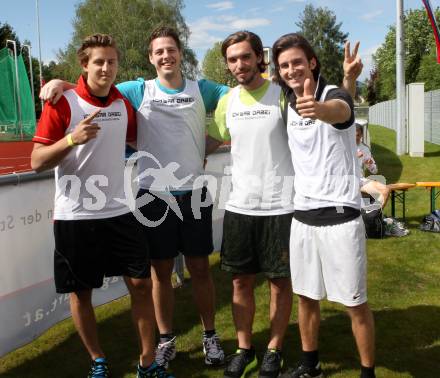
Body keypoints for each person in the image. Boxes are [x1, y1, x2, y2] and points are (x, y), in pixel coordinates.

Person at [40, 26, 228, 369]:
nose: (166, 56)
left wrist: (212, 141)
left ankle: (210, 336)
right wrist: (62, 84)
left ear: (180, 53)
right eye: (159, 52)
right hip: (152, 196)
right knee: (159, 273)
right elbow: (96, 87)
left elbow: (240, 99)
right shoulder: (138, 90)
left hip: (195, 194)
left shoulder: (202, 88)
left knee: (201, 268)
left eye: (171, 50)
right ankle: (166, 339)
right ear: (151, 58)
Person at [31, 34, 172, 378]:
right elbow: (36, 160)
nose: (106, 68)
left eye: (111, 61)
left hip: (120, 212)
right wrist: (71, 139)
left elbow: (141, 131)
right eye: (98, 62)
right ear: (84, 65)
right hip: (75, 217)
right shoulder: (61, 102)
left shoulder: (122, 103)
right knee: (81, 294)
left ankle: (147, 362)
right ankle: (97, 359)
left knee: (140, 285)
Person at [272, 33, 376, 378]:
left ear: (312, 62)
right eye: (284, 65)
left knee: (354, 303)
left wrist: (320, 109)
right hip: (302, 218)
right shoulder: (287, 100)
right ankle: (310, 365)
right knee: (306, 297)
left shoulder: (330, 96)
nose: (291, 70)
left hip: (340, 218)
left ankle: (367, 372)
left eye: (297, 62)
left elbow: (342, 109)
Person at [205, 30, 296, 378]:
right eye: (232, 59)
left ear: (261, 57)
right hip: (241, 206)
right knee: (240, 283)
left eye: (246, 56)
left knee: (279, 282)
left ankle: (274, 350)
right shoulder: (228, 100)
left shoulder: (282, 95)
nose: (239, 64)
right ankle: (245, 349)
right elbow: (214, 139)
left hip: (281, 205)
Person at [356, 123, 390, 208]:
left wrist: (370, 164)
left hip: (360, 180)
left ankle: (374, 217)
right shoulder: (343, 146)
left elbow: (374, 171)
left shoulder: (364, 148)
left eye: (358, 135)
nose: (356, 138)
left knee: (385, 190)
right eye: (353, 135)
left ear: (362, 135)